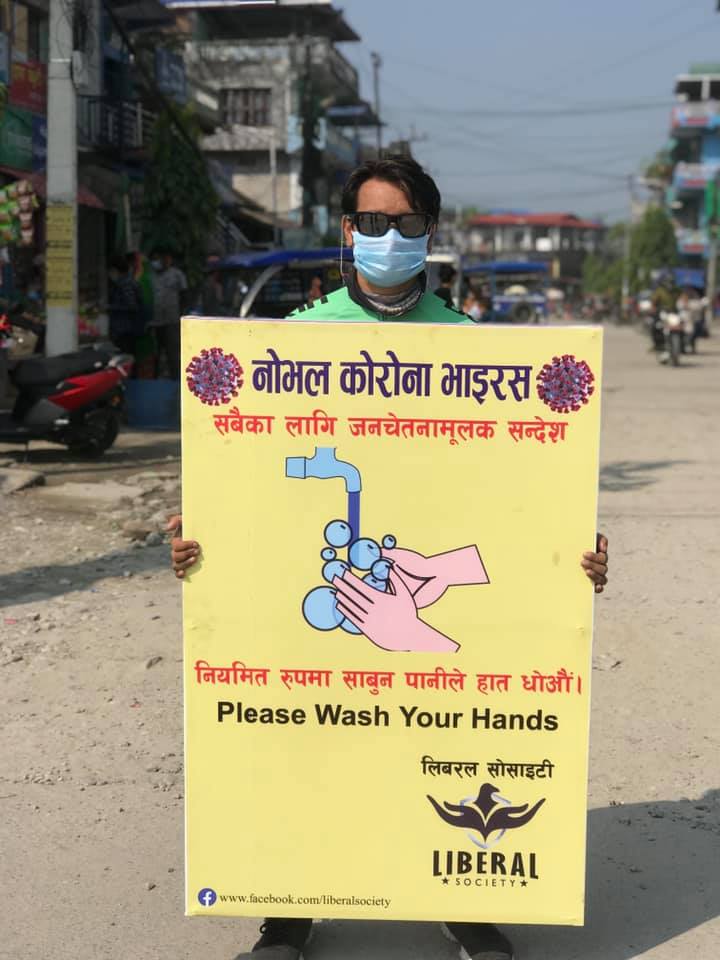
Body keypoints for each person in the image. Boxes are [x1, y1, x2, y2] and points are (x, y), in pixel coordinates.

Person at [168, 157, 610, 960]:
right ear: (347, 231)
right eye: (373, 223)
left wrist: (565, 552)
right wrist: (205, 536)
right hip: (320, 594)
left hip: (424, 590)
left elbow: (513, 488)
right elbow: (248, 471)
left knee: (447, 735)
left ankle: (463, 898)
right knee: (306, 737)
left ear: (429, 231)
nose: (389, 238)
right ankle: (289, 907)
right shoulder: (295, 342)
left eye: (406, 224)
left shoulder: (469, 345)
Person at [149, 249, 187, 379]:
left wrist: (181, 315)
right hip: (155, 321)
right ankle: (154, 379)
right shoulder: (150, 275)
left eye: (164, 258)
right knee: (155, 353)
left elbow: (184, 295)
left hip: (172, 320)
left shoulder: (177, 275)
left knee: (173, 353)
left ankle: (175, 379)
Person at [107, 254, 143, 358]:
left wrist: (110, 307)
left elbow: (132, 306)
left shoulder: (125, 284)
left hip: (125, 329)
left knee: (125, 357)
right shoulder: (129, 282)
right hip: (127, 328)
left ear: (115, 270)